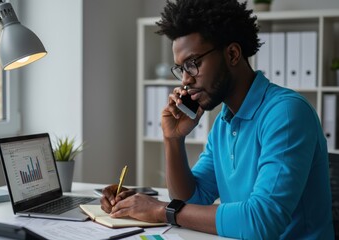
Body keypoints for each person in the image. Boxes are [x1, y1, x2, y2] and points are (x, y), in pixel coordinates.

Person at [101, 0, 335, 239]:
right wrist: (173, 139)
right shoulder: (224, 123)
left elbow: (262, 221)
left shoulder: (286, 113)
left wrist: (162, 211)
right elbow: (191, 199)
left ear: (232, 54)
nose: (185, 80)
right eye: (181, 68)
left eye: (192, 64)